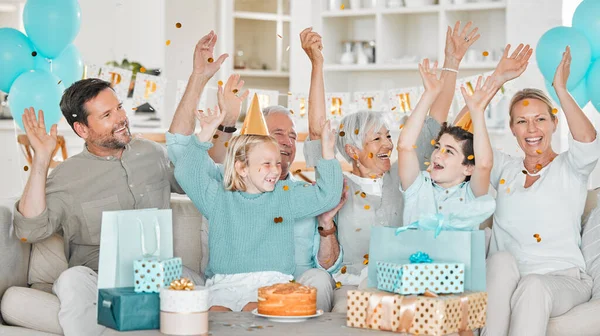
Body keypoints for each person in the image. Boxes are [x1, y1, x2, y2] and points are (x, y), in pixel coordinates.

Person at [7, 31, 228, 336]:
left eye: (119, 107)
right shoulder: (67, 176)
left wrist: (198, 79)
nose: (121, 118)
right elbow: (30, 229)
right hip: (100, 281)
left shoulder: (152, 153)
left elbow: (194, 168)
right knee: (70, 280)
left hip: (158, 273)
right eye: (107, 115)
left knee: (213, 291)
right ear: (82, 129)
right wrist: (42, 160)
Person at [300, 22, 480, 311]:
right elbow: (317, 130)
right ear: (352, 150)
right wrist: (317, 65)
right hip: (347, 286)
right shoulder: (337, 184)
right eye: (376, 139)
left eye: (388, 136)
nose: (387, 144)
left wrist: (453, 61)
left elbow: (434, 120)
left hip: (397, 286)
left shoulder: (402, 175)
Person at [170, 32, 345, 312]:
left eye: (278, 162)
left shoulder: (285, 195)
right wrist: (204, 134)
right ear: (240, 166)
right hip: (223, 286)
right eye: (266, 163)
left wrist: (326, 152)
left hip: (273, 285)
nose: (275, 170)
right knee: (216, 317)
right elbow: (186, 172)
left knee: (258, 314)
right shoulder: (219, 196)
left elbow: (327, 196)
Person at [454, 46, 598, 336]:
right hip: (505, 277)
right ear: (513, 129)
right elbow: (455, 140)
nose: (532, 128)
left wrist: (560, 89)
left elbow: (587, 138)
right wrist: (498, 78)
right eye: (522, 121)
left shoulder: (571, 167)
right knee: (501, 260)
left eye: (540, 119)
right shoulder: (504, 167)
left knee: (533, 286)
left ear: (555, 123)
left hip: (561, 278)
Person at [397, 60, 496, 234]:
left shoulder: (471, 194)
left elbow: (485, 164)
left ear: (468, 168)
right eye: (438, 146)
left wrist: (477, 112)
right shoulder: (418, 185)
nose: (437, 155)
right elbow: (405, 146)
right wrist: (429, 94)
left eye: (449, 151)